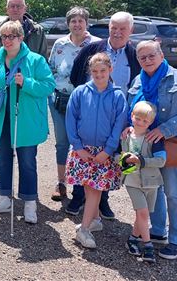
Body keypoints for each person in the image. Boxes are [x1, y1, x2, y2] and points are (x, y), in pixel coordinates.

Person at [125, 40, 177, 260]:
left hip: (172, 143)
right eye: (142, 57)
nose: (147, 60)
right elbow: (133, 110)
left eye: (151, 56)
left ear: (161, 54)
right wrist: (129, 127)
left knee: (174, 193)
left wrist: (164, 129)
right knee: (151, 189)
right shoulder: (138, 80)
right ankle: (158, 231)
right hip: (144, 147)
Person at [0, 21, 55, 224]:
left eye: (12, 36)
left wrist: (26, 83)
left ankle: (29, 203)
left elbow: (48, 86)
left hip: (25, 120)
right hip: (1, 120)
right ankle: (4, 198)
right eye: (4, 36)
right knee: (3, 159)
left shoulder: (35, 60)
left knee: (27, 162)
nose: (7, 40)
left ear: (21, 38)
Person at [66, 11, 142, 218]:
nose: (117, 33)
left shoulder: (134, 56)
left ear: (130, 31)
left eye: (122, 29)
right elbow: (75, 76)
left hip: (117, 117)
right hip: (90, 112)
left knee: (107, 161)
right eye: (114, 28)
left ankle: (102, 202)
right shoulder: (92, 49)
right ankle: (78, 198)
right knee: (85, 162)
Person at [65, 53, 129, 249]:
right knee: (88, 186)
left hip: (104, 152)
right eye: (94, 71)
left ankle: (84, 230)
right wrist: (77, 146)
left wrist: (108, 150)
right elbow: (70, 119)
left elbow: (119, 124)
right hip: (82, 149)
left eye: (102, 70)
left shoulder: (118, 96)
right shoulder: (80, 92)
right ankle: (95, 220)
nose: (99, 74)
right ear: (89, 72)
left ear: (110, 70)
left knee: (95, 189)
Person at [0, 0, 48, 192]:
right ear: (6, 9)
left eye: (18, 6)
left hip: (27, 102)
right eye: (11, 6)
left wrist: (28, 80)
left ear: (25, 8)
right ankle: (4, 188)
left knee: (27, 157)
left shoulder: (37, 31)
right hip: (4, 98)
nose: (15, 9)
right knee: (3, 153)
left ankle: (28, 196)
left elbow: (43, 63)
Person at [47, 6, 101, 201]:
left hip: (86, 103)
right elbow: (51, 68)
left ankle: (82, 187)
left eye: (80, 21)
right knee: (62, 143)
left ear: (86, 23)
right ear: (68, 23)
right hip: (59, 99)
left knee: (84, 143)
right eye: (73, 21)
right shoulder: (60, 44)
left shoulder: (96, 44)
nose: (77, 24)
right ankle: (61, 183)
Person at [120, 101, 166, 263]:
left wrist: (140, 159)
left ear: (151, 123)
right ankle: (148, 246)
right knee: (143, 213)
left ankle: (132, 239)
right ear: (132, 116)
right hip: (132, 181)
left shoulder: (153, 138)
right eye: (137, 118)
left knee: (142, 215)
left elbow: (161, 161)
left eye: (144, 121)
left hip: (151, 182)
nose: (140, 123)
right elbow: (118, 156)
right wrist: (124, 160)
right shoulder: (126, 135)